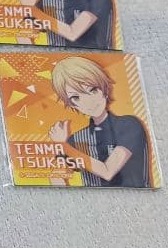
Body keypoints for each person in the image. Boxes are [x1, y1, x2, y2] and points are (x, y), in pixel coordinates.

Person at [48, 56, 151, 187]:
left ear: (104, 89)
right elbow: (56, 177)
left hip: (132, 196)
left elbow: (107, 172)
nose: (88, 102)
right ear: (72, 104)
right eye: (76, 97)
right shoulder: (74, 140)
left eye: (93, 90)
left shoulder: (129, 125)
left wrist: (64, 146)